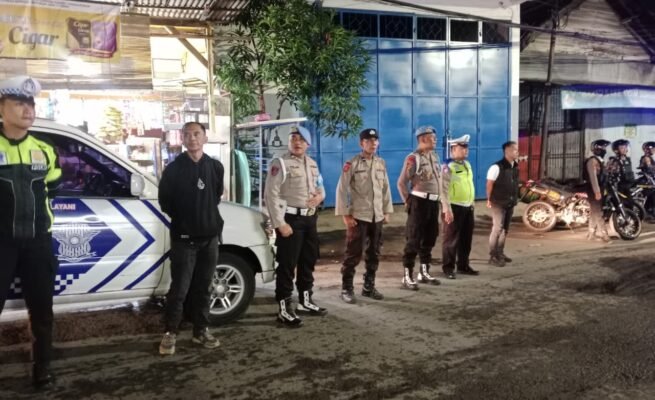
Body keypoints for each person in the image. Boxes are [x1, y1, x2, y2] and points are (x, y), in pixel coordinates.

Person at [0, 76, 62, 389]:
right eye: (19, 103)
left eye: (31, 104)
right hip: (1, 245)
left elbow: (53, 190)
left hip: (38, 243)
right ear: (1, 109)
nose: (28, 110)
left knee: (42, 312)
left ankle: (43, 368)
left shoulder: (45, 149)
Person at [158, 121, 224, 355]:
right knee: (179, 289)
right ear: (182, 139)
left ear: (205, 137)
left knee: (204, 287)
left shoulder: (215, 167)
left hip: (210, 239)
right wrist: (187, 219)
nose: (192, 138)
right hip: (184, 240)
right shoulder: (173, 170)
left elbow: (216, 195)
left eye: (196, 134)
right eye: (187, 134)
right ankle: (170, 333)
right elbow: (165, 202)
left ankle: (201, 330)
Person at [264, 125, 326, 328]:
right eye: (293, 139)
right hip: (290, 221)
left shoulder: (313, 164)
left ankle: (305, 301)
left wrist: (319, 198)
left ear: (308, 144)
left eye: (301, 139)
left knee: (308, 261)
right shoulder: (280, 163)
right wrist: (279, 224)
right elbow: (270, 195)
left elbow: (321, 188)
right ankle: (284, 308)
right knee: (287, 265)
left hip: (310, 219)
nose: (297, 142)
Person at [336, 128, 393, 304]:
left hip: (377, 217)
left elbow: (386, 189)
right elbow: (341, 189)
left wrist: (386, 211)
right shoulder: (352, 163)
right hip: (359, 216)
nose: (373, 143)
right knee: (353, 254)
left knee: (374, 253)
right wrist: (345, 215)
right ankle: (346, 288)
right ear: (362, 143)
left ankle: (368, 287)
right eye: (369, 141)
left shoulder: (381, 163)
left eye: (375, 141)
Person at [397, 126, 451, 289]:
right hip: (419, 202)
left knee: (430, 237)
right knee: (414, 239)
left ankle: (424, 272)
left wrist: (444, 204)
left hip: (433, 203)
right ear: (422, 139)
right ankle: (407, 276)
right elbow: (401, 183)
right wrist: (408, 201)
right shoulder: (413, 158)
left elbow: (440, 181)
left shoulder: (434, 156)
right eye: (432, 138)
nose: (435, 140)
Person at [442, 135, 478, 279]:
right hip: (454, 207)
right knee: (451, 240)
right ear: (453, 150)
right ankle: (448, 268)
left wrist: (472, 202)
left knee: (466, 239)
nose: (466, 150)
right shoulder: (448, 166)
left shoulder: (467, 164)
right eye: (462, 148)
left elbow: (468, 184)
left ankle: (463, 265)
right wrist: (446, 209)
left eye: (466, 148)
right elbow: (443, 189)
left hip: (467, 207)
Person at [486, 141, 519, 267]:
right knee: (497, 228)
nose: (517, 152)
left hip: (510, 202)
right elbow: (489, 184)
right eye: (515, 150)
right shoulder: (496, 167)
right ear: (507, 151)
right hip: (498, 202)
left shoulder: (515, 166)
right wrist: (489, 199)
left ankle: (500, 253)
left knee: (505, 229)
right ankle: (493, 256)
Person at [583, 139, 611, 242]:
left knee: (595, 211)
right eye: (602, 147)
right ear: (597, 149)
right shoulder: (592, 161)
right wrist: (597, 191)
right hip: (593, 189)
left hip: (600, 188)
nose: (604, 149)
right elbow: (593, 178)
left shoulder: (600, 160)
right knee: (598, 212)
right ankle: (604, 235)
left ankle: (591, 234)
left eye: (605, 147)